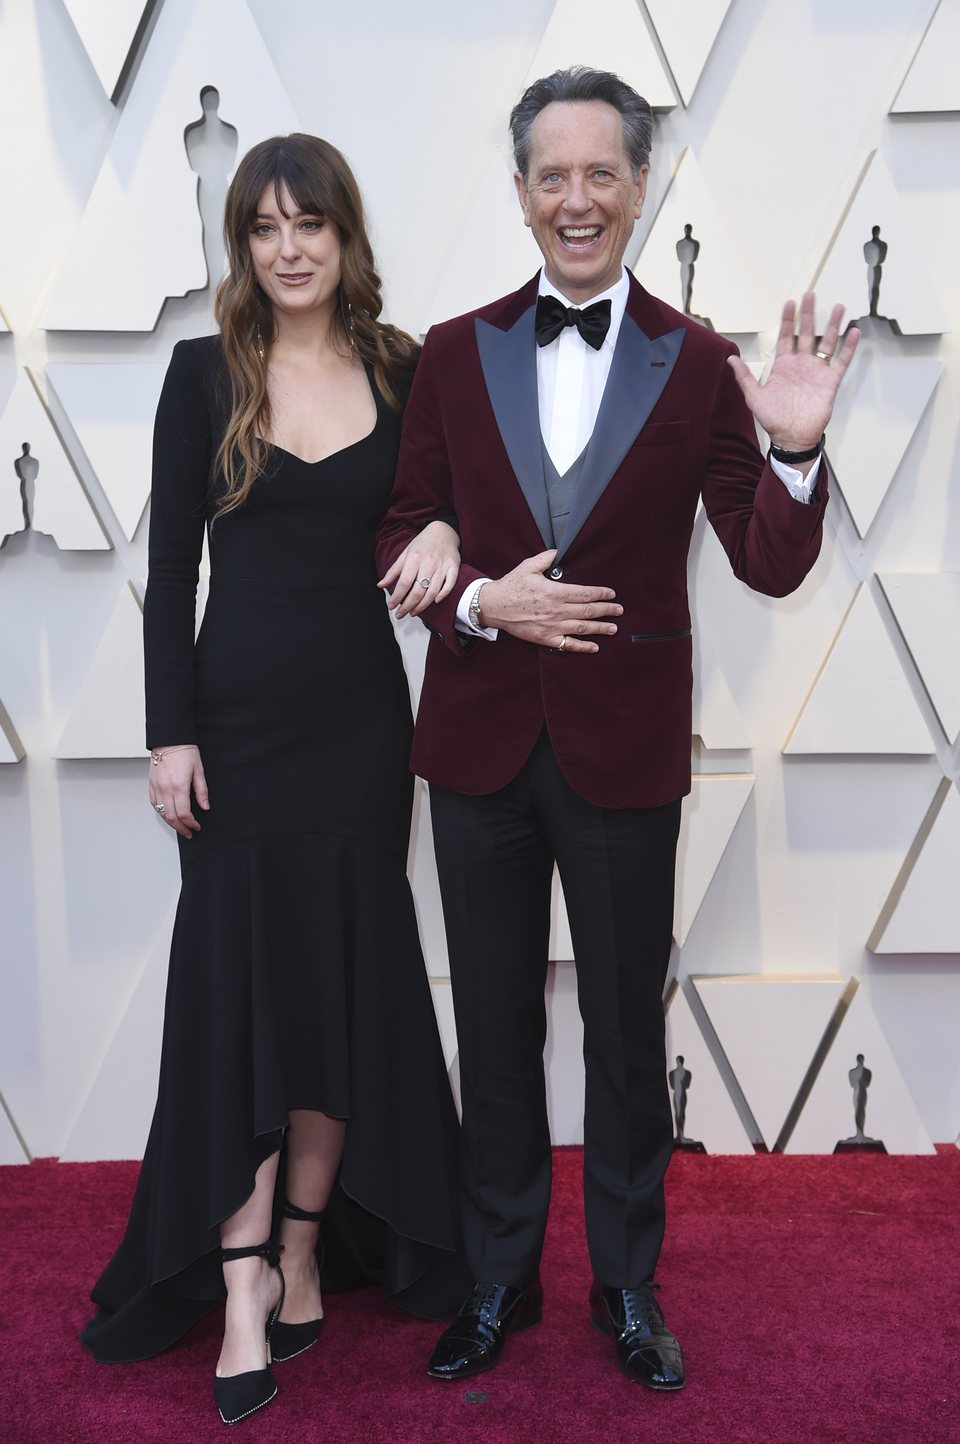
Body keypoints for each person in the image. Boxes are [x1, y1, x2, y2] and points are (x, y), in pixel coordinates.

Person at [376, 67, 859, 1392]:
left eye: (603, 174)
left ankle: (628, 1289)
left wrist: (799, 456)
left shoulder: (700, 362)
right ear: (522, 191)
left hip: (625, 750)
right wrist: (482, 597)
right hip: (477, 746)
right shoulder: (454, 350)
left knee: (624, 1041)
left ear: (640, 187)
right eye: (552, 175)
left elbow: (762, 561)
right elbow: (400, 527)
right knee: (496, 1024)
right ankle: (496, 1280)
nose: (576, 199)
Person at [80, 133, 470, 1425]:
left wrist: (455, 531)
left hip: (363, 727)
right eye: (265, 227)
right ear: (242, 246)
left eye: (312, 224)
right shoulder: (203, 375)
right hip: (235, 730)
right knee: (246, 996)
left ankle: (305, 1244)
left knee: (340, 989)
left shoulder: (404, 369)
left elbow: (453, 505)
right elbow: (168, 573)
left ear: (346, 237)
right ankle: (241, 1282)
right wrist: (166, 732)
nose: (290, 247)